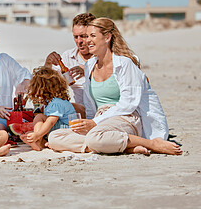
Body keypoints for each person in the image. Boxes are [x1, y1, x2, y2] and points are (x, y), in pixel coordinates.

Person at [47, 17, 182, 155]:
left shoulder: (125, 63)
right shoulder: (89, 66)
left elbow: (128, 104)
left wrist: (94, 123)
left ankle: (151, 144)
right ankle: (127, 146)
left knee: (95, 138)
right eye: (86, 36)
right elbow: (89, 104)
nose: (87, 40)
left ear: (107, 37)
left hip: (125, 117)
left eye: (92, 36)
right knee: (55, 137)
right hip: (100, 119)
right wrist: (89, 122)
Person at [44, 13, 96, 106]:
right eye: (76, 37)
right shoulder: (68, 57)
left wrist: (89, 71)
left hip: (103, 111)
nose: (79, 41)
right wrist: (48, 64)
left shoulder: (104, 56)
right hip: (81, 111)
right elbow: (47, 84)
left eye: (83, 36)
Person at [20, 67, 76, 151]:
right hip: (57, 129)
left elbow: (51, 122)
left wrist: (37, 134)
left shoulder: (56, 102)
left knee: (39, 117)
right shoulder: (50, 102)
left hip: (67, 131)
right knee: (28, 134)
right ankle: (40, 142)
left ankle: (38, 140)